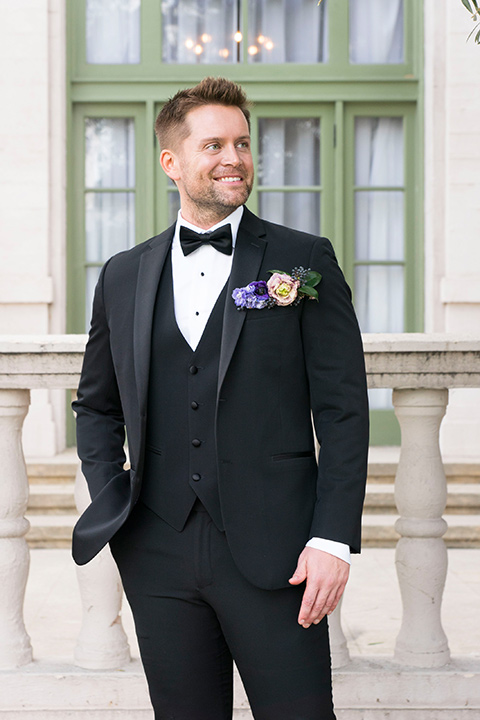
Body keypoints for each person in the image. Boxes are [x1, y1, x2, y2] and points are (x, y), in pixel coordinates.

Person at [72, 76, 369, 720]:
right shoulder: (123, 273)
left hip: (279, 551)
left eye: (242, 143)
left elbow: (344, 411)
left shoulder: (301, 258)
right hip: (156, 550)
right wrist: (113, 494)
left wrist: (333, 540)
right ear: (171, 162)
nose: (233, 158)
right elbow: (96, 406)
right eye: (213, 144)